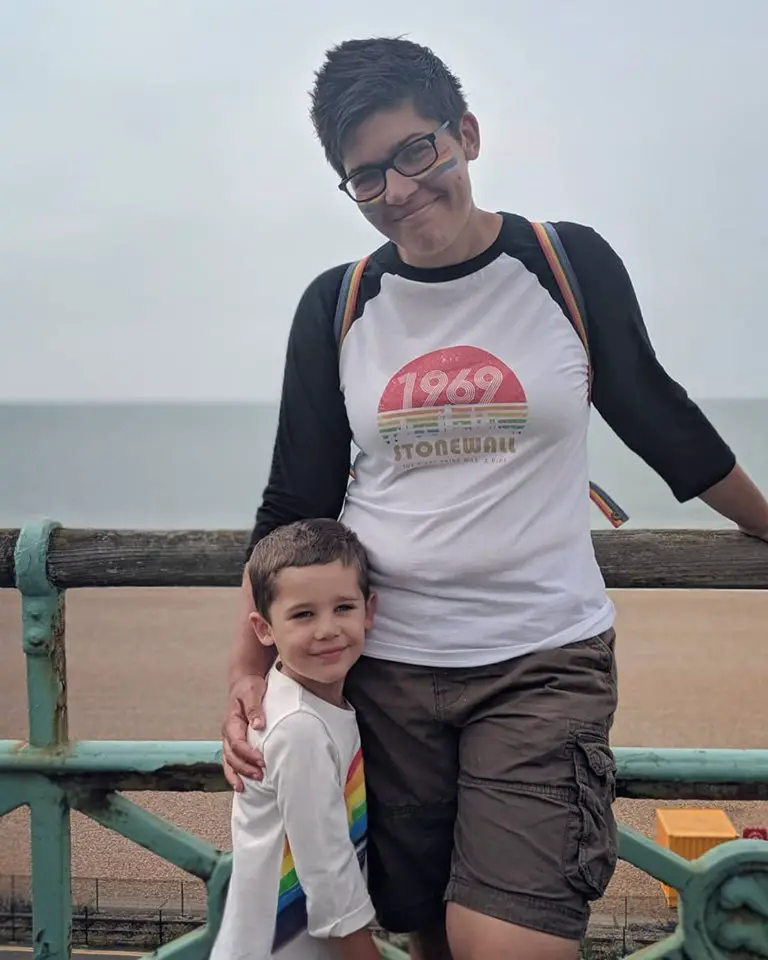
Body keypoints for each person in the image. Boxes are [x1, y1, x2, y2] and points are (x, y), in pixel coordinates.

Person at [221, 36, 768, 960]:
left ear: (465, 134)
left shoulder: (565, 263)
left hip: (542, 660)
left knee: (510, 942)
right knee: (427, 931)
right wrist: (248, 664)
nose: (397, 189)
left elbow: (657, 415)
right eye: (365, 177)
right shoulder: (339, 302)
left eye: (415, 152)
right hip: (382, 670)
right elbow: (297, 499)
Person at [210, 518, 380, 960]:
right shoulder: (299, 729)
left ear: (370, 611)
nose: (327, 629)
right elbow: (329, 880)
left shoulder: (313, 708)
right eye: (303, 614)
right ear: (263, 629)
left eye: (343, 608)